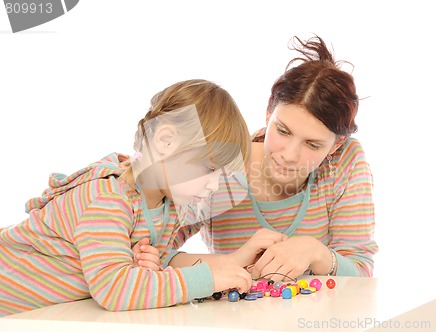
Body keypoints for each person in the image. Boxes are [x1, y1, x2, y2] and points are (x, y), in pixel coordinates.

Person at [0, 79, 256, 317]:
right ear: (165, 141)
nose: (213, 186)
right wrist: (207, 279)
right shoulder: (107, 199)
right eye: (209, 169)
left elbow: (211, 208)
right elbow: (114, 289)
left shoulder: (168, 207)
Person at [139, 35, 378, 281]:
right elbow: (150, 252)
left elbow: (361, 273)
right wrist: (229, 263)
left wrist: (315, 252)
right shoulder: (221, 165)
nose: (289, 155)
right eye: (283, 131)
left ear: (335, 145)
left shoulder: (344, 163)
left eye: (312, 144)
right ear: (268, 114)